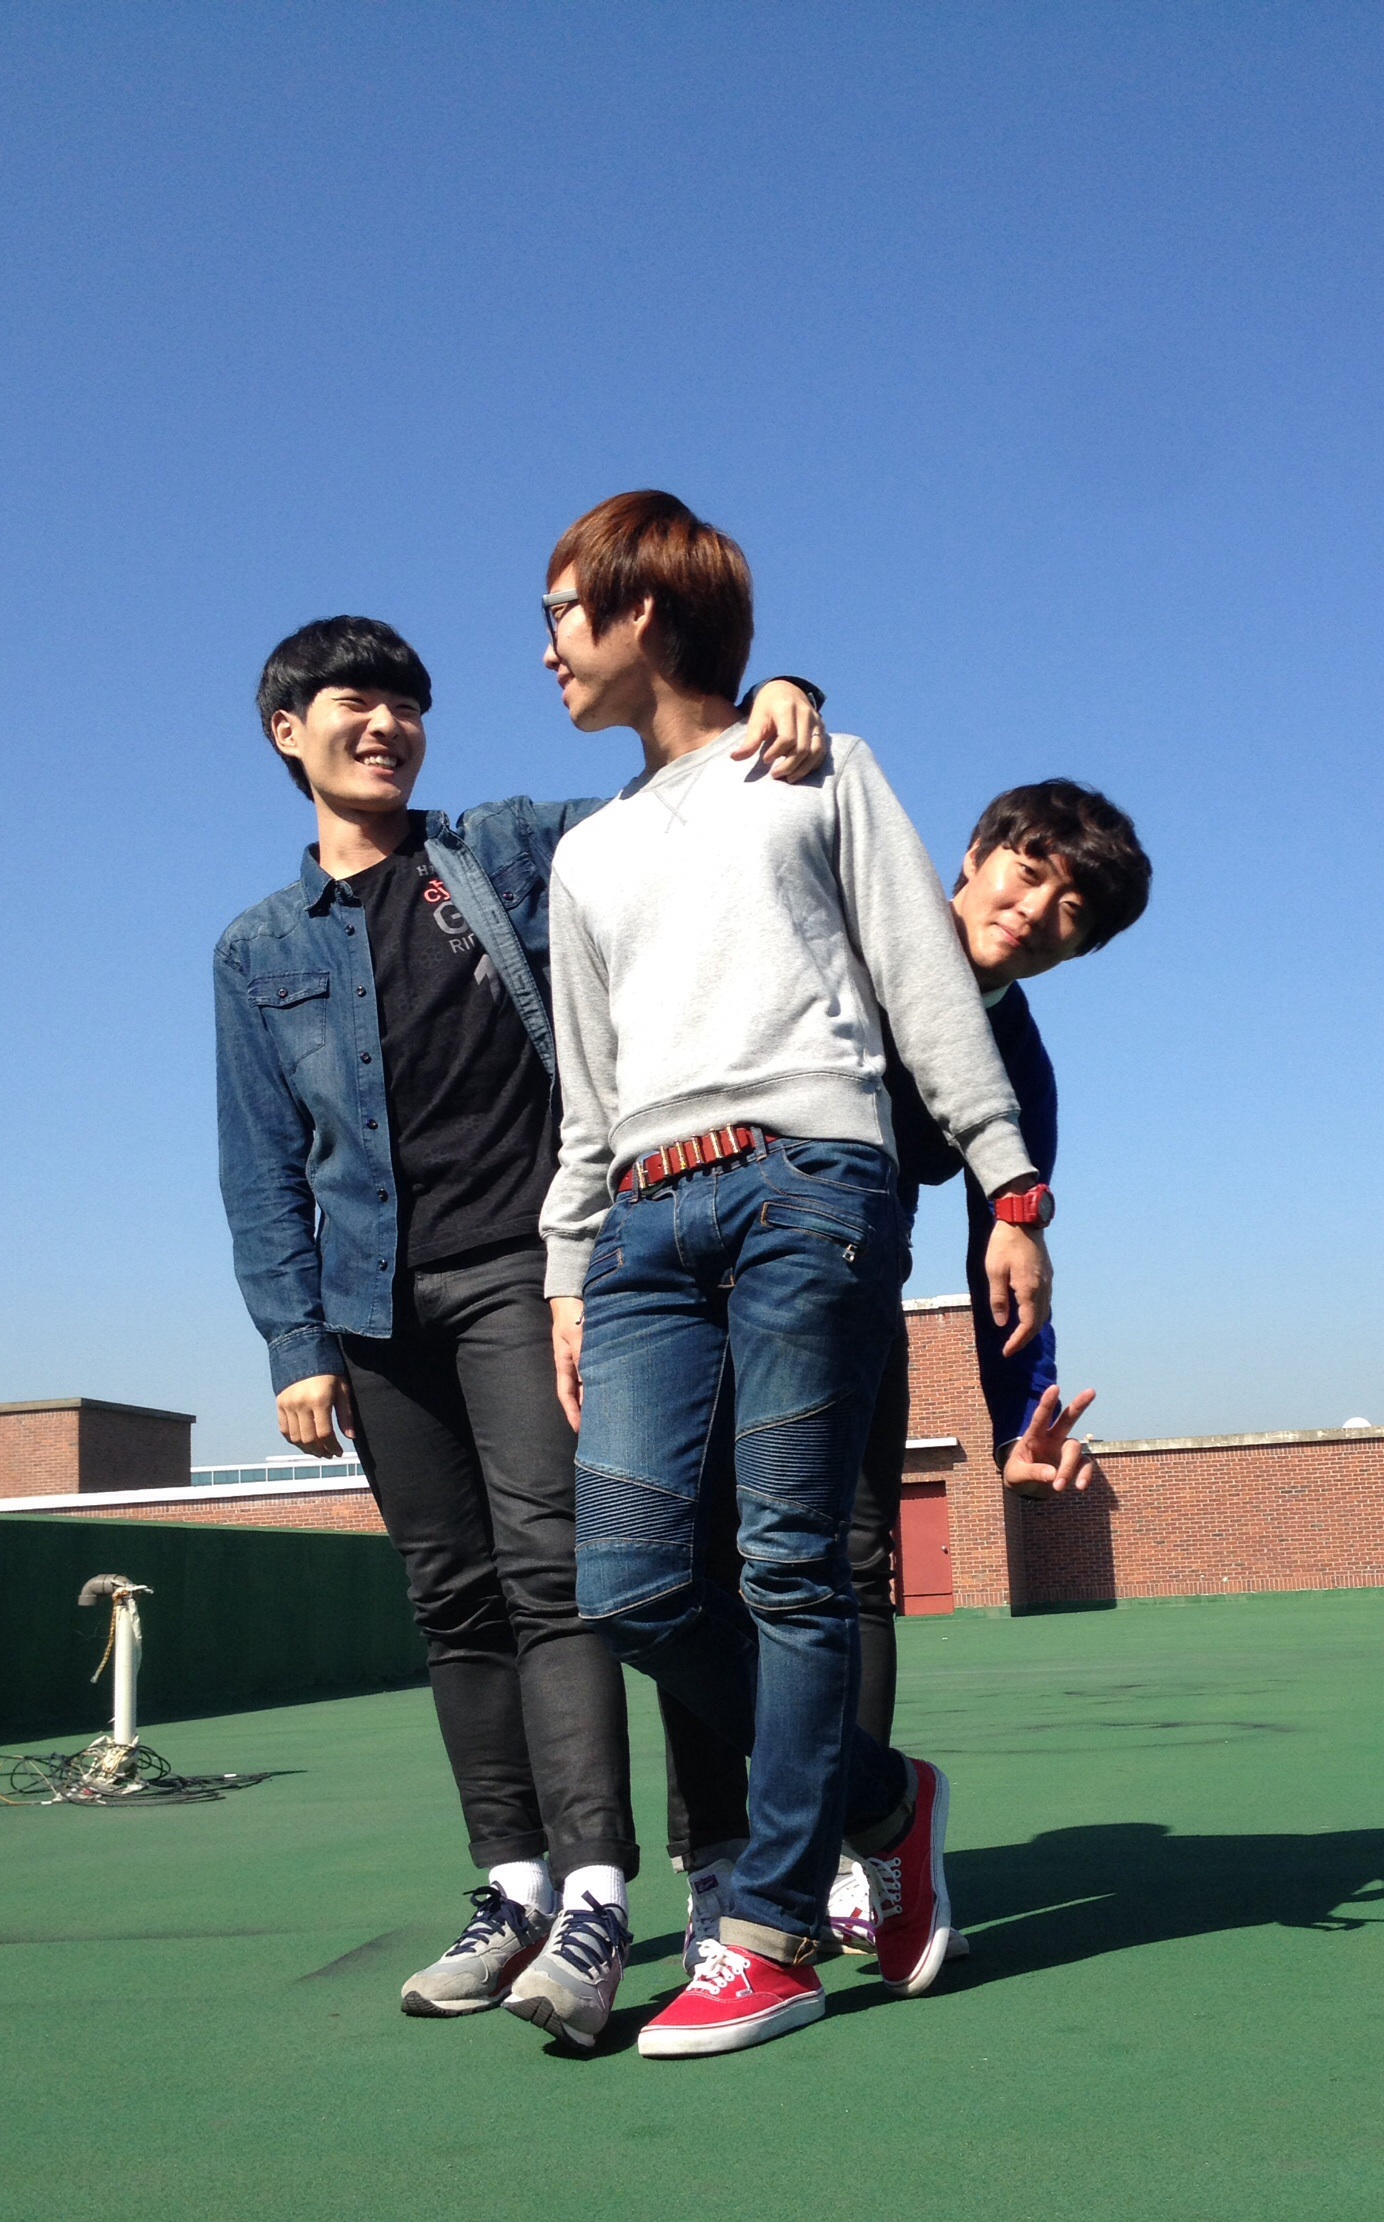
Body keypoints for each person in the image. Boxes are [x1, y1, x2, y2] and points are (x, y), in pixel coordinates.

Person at [213, 612, 826, 2047]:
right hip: (374, 1306)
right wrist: (294, 1344)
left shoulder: (499, 849)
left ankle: (599, 1894)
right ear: (288, 731)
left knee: (560, 1577)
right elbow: (260, 1165)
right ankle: (513, 1887)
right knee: (453, 1599)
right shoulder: (255, 950)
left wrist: (779, 694)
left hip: (527, 1268)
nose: (387, 724)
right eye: (355, 701)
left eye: (407, 704)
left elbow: (674, 787)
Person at [534, 490, 1054, 2059]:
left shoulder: (820, 771)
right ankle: (884, 1799)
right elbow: (586, 1090)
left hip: (808, 1188)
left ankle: (764, 1936)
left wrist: (1010, 1181)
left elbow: (922, 980)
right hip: (640, 1224)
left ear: (643, 609)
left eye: (565, 612)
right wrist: (567, 1269)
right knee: (627, 1584)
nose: (548, 647)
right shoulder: (583, 854)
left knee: (791, 1566)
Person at [661, 779, 1153, 1963]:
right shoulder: (837, 923)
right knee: (685, 1568)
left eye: (1074, 911)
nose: (1038, 910)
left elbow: (1010, 1256)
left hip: (847, 1299)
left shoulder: (1017, 1060)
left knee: (851, 1560)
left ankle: (858, 1845)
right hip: (697, 1267)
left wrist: (1021, 1420)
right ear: (975, 853)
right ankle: (717, 1848)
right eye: (1029, 870)